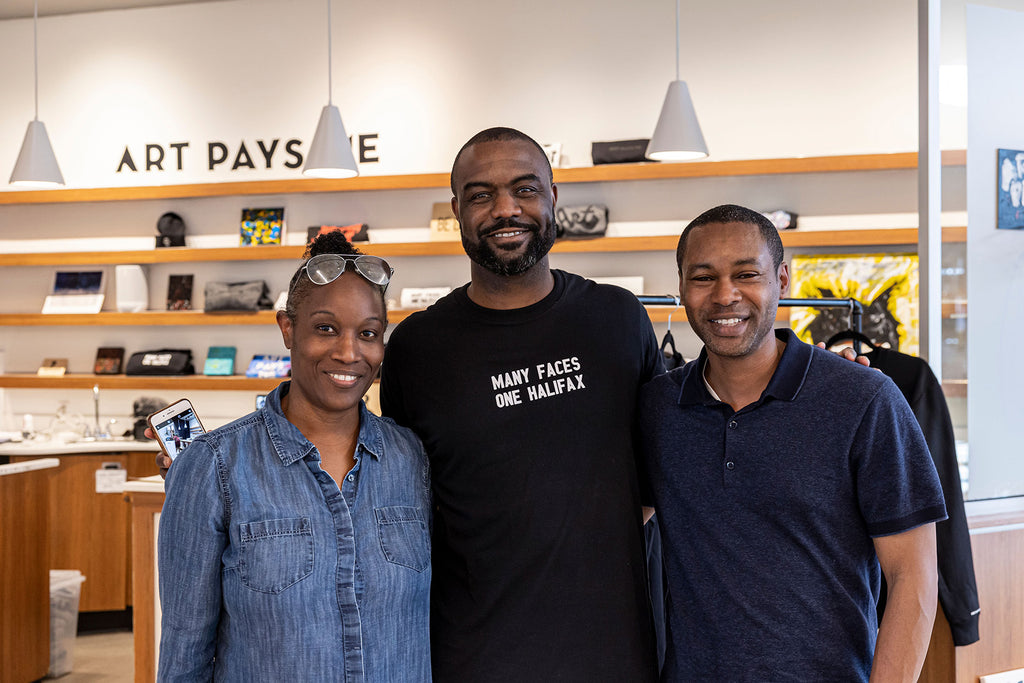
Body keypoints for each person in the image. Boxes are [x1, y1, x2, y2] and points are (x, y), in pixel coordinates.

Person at [380, 127, 663, 681]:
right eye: (481, 195)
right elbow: (387, 494)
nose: (505, 210)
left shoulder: (618, 319)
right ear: (457, 208)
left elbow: (666, 467)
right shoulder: (417, 346)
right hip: (473, 656)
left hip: (614, 654)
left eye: (525, 189)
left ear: (553, 198)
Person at [638, 204, 946, 681]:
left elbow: (914, 577)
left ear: (781, 281)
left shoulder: (864, 399)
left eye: (746, 273)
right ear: (681, 287)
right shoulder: (658, 408)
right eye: (703, 278)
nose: (725, 295)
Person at [156, 233, 432, 682]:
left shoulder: (410, 459)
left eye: (368, 334)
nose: (349, 352)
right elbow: (184, 655)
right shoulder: (215, 467)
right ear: (288, 328)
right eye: (325, 328)